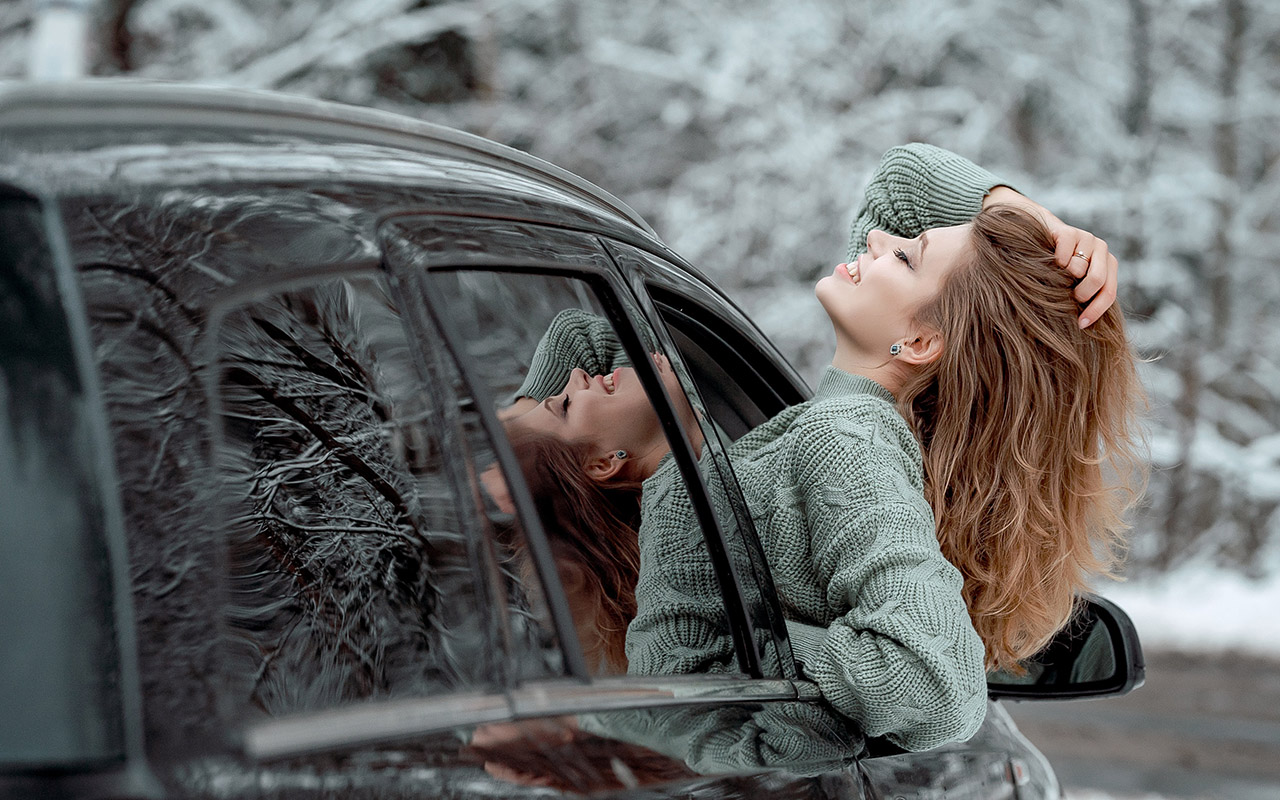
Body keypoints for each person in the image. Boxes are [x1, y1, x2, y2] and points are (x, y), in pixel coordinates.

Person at [502, 143, 1143, 752]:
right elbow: (902, 179)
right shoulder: (838, 435)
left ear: (919, 343)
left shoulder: (841, 445)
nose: (875, 238)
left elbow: (934, 682)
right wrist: (1040, 225)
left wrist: (748, 651)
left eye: (905, 256)